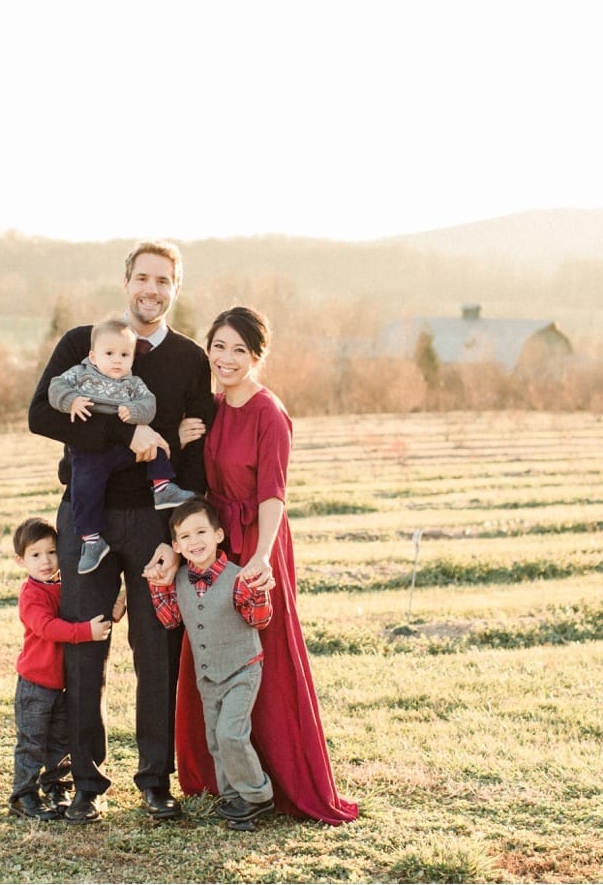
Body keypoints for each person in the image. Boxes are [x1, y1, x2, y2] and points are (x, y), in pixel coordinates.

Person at [27, 240, 219, 823]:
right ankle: (86, 781)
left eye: (163, 280)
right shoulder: (84, 343)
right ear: (126, 280)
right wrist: (124, 435)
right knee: (86, 649)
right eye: (143, 277)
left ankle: (155, 780)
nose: (151, 290)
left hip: (154, 524)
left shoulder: (188, 359)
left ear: (175, 288)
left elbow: (192, 456)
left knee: (156, 653)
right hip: (87, 518)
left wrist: (175, 535)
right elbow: (42, 415)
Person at [162, 306, 358, 825]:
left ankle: (278, 782)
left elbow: (274, 495)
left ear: (257, 356)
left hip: (255, 543)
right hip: (213, 540)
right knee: (212, 645)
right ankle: (224, 777)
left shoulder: (271, 413)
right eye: (219, 347)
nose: (226, 359)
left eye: (239, 351)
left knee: (263, 657)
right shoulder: (214, 405)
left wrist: (261, 557)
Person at [149, 498, 273, 830]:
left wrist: (258, 593)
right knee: (216, 739)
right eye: (185, 537)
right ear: (175, 545)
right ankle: (234, 797)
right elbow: (171, 619)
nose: (195, 541)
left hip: (242, 669)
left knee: (232, 733)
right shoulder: (179, 579)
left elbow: (259, 621)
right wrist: (157, 587)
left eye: (201, 531)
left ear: (218, 534)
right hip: (207, 675)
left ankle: (258, 797)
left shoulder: (238, 577)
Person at [48, 317, 197, 574]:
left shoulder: (132, 383)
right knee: (84, 486)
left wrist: (135, 413)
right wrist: (71, 401)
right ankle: (92, 540)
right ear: (93, 357)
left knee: (156, 444)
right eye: (109, 354)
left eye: (125, 355)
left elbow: (149, 405)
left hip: (122, 451)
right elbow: (55, 387)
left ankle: (162, 487)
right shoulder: (81, 374)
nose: (117, 360)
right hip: (91, 451)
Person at [8, 516, 115, 821]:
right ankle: (23, 794)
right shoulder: (31, 595)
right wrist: (85, 632)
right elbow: (48, 627)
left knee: (60, 740)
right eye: (36, 554)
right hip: (36, 683)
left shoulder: (63, 586)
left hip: (61, 683)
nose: (45, 561)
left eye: (52, 552)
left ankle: (57, 787)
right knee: (32, 741)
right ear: (21, 561)